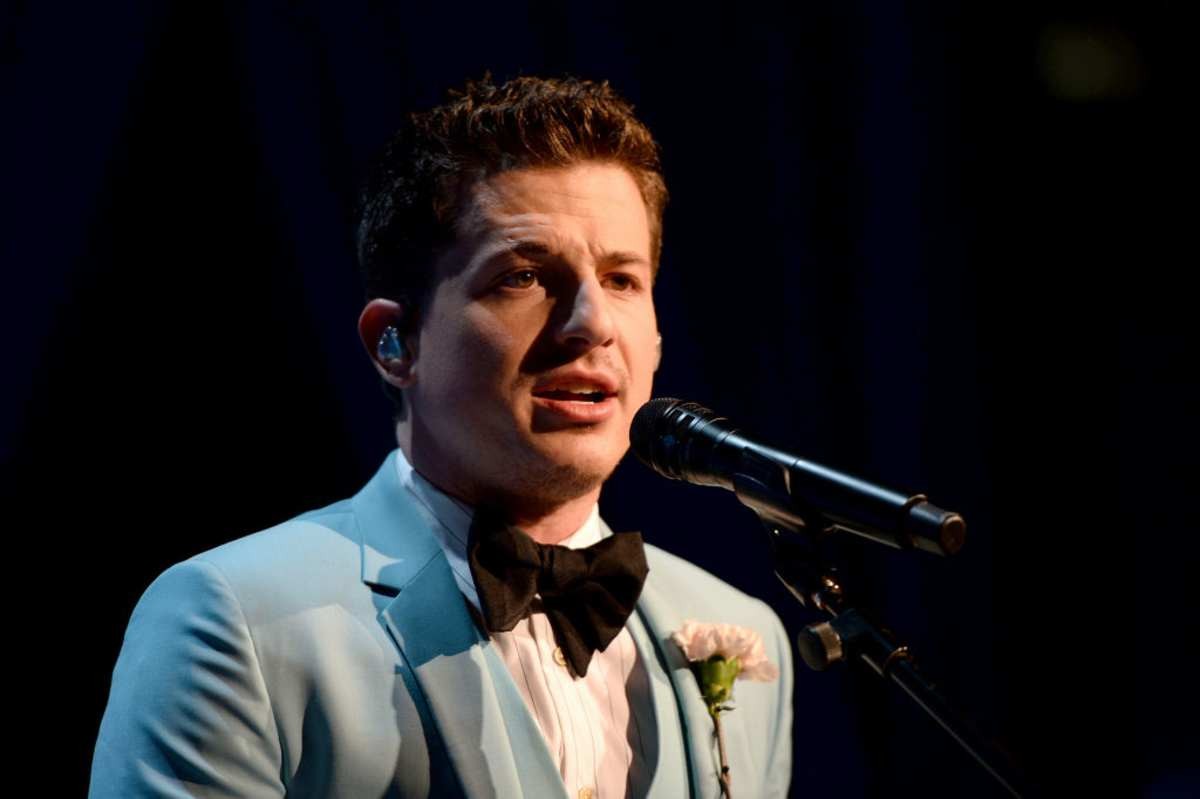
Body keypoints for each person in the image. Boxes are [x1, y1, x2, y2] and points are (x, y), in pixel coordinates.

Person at [90, 75, 793, 798]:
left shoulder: (744, 630)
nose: (593, 323)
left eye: (622, 280)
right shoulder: (236, 618)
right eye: (524, 276)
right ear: (394, 342)